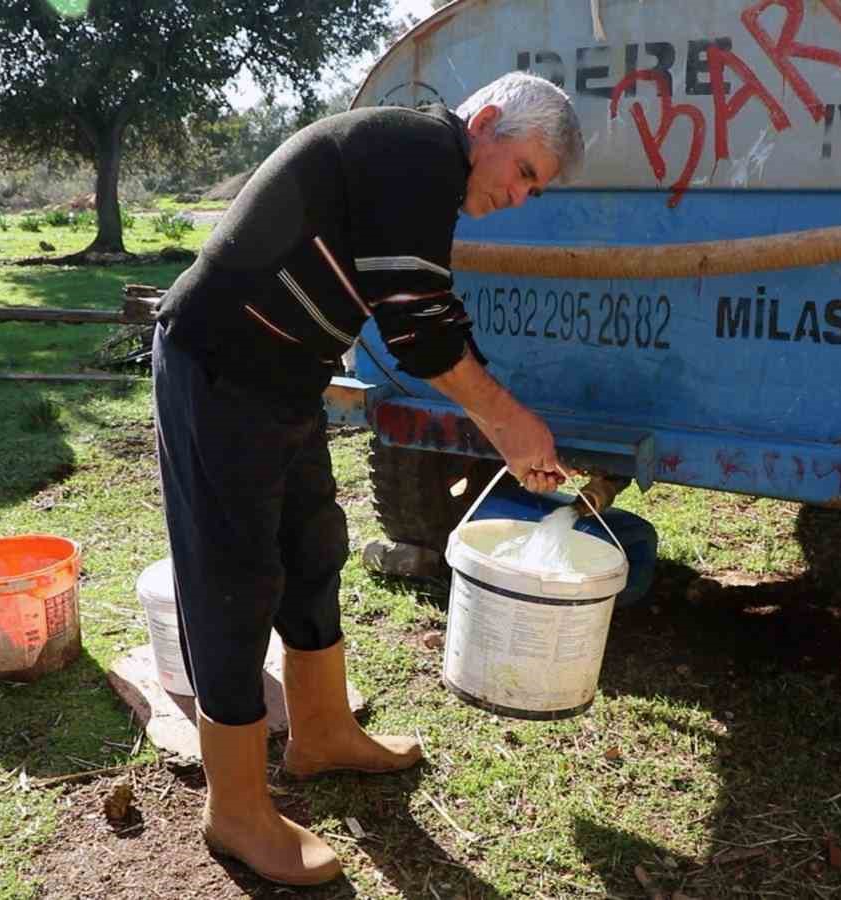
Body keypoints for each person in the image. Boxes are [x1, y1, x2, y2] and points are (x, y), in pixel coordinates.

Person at [151, 71, 584, 886]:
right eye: (525, 172)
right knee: (234, 578)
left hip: (282, 375)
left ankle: (319, 731)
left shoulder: (424, 170)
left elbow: (429, 308)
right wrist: (510, 423)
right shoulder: (420, 153)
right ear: (485, 122)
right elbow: (417, 329)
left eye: (536, 187)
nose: (522, 197)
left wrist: (502, 413)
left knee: (313, 547)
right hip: (218, 364)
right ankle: (236, 807)